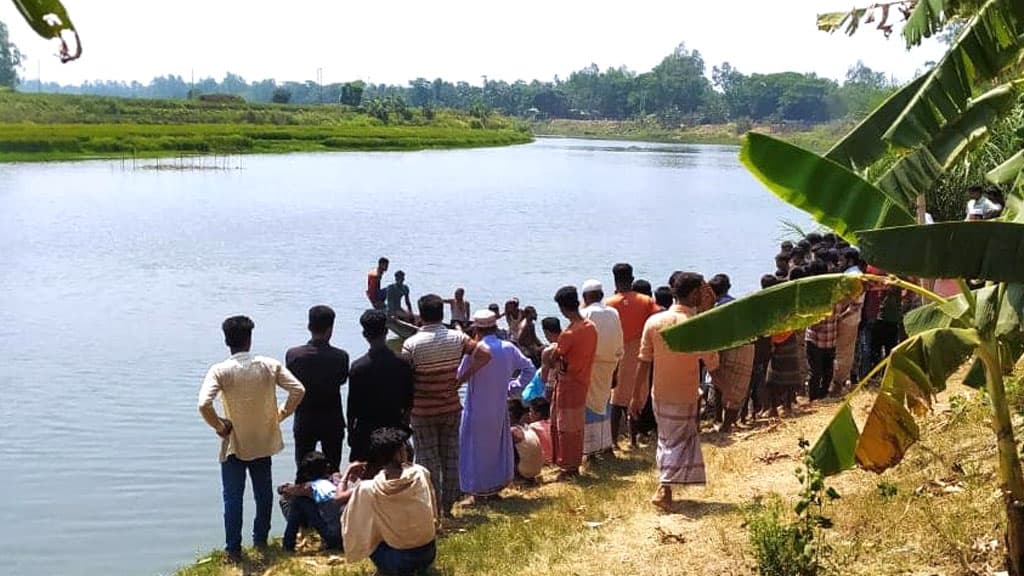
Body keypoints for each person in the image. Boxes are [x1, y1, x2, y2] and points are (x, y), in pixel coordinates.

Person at [198, 315, 305, 562]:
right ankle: (261, 540)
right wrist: (279, 415)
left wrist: (220, 426)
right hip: (262, 439)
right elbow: (298, 390)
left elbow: (204, 403)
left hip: (235, 442)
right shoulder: (268, 365)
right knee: (263, 494)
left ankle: (233, 549)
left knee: (233, 498)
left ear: (227, 341)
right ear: (249, 339)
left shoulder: (220, 370)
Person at [631, 273, 718, 511]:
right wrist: (726, 390)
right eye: (701, 291)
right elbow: (713, 362)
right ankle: (664, 487)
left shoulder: (654, 322)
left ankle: (666, 486)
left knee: (667, 440)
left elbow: (643, 362)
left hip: (659, 393)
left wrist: (635, 396)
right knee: (676, 442)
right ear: (692, 294)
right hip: (686, 394)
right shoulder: (696, 325)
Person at [402, 294, 492, 517]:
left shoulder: (411, 344)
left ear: (420, 316)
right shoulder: (457, 338)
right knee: (451, 457)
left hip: (423, 411)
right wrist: (462, 378)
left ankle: (433, 507)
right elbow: (484, 354)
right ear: (442, 314)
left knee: (427, 459)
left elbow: (404, 376)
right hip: (451, 406)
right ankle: (449, 505)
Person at [458, 310, 536, 501]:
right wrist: (513, 388)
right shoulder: (508, 348)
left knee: (475, 450)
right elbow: (529, 369)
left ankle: (477, 491)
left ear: (477, 329)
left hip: (476, 407)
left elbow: (459, 375)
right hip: (499, 406)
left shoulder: (476, 350)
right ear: (494, 327)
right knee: (496, 448)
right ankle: (494, 489)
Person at [342, 427, 439, 576]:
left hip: (399, 561)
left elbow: (346, 512)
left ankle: (385, 570)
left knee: (361, 516)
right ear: (401, 453)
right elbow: (432, 507)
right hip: (428, 553)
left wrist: (348, 472)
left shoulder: (369, 488)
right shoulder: (420, 472)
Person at [286, 305, 350, 472]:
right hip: (332, 420)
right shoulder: (341, 357)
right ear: (331, 329)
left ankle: (301, 497)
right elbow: (342, 380)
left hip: (304, 420)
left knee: (302, 470)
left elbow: (290, 385)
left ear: (309, 326)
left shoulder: (293, 355)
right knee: (334, 470)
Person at [347, 309, 415, 464]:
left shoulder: (358, 367)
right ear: (386, 331)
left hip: (366, 433)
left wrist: (351, 434)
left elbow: (352, 408)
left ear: (365, 335)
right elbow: (410, 402)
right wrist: (404, 427)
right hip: (394, 429)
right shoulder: (404, 363)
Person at [606, 263, 661, 446]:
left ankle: (613, 441)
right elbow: (657, 321)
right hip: (639, 354)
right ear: (631, 278)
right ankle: (634, 440)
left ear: (615, 280)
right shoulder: (646, 301)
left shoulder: (609, 303)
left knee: (616, 400)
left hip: (617, 354)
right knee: (637, 397)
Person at [549, 286, 598, 480]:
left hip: (568, 384)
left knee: (565, 426)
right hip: (583, 380)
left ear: (562, 308)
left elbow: (554, 357)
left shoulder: (569, 333)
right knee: (576, 426)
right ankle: (571, 463)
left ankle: (568, 467)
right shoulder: (590, 327)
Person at [579, 279, 624, 457]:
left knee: (589, 406)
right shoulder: (613, 313)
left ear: (585, 297)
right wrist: (616, 370)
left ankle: (590, 450)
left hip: (591, 366)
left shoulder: (585, 314)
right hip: (610, 364)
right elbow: (619, 343)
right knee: (604, 403)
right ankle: (606, 445)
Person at [277, 451, 355, 552]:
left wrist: (282, 488)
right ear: (327, 467)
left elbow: (284, 490)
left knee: (298, 500)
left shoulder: (310, 487)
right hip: (351, 536)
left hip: (335, 538)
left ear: (306, 473)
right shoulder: (337, 479)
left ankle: (288, 545)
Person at [707, 275, 754, 433]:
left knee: (720, 383)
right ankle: (728, 422)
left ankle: (722, 422)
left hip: (726, 349)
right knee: (738, 386)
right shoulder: (738, 304)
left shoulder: (715, 309)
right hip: (744, 346)